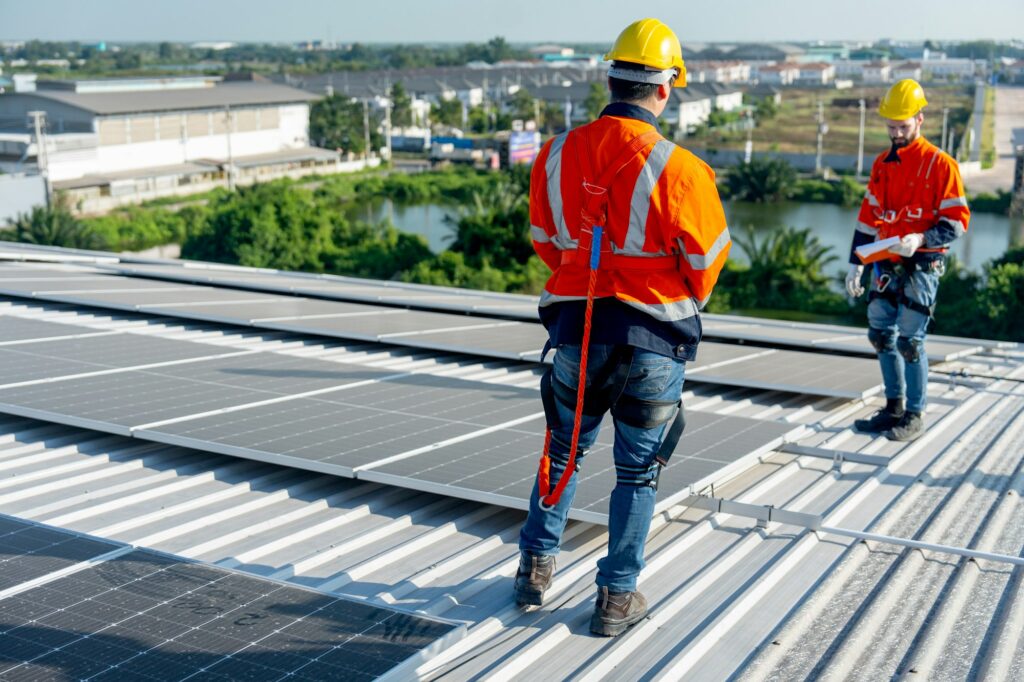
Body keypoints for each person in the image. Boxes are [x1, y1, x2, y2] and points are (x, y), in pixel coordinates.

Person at [514, 18, 730, 637]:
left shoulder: (555, 155)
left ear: (610, 78)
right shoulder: (683, 170)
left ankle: (535, 567)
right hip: (653, 340)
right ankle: (614, 599)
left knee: (563, 447)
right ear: (666, 89)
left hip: (579, 330)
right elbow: (705, 265)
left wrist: (587, 279)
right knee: (637, 470)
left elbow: (547, 243)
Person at [845, 79, 970, 441]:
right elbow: (868, 216)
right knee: (881, 334)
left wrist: (922, 238)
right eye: (891, 127)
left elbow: (957, 222)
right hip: (884, 260)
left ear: (920, 119)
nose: (897, 133)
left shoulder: (941, 165)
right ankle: (893, 408)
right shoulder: (882, 164)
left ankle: (914, 414)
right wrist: (856, 261)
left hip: (921, 263)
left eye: (903, 126)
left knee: (910, 341)